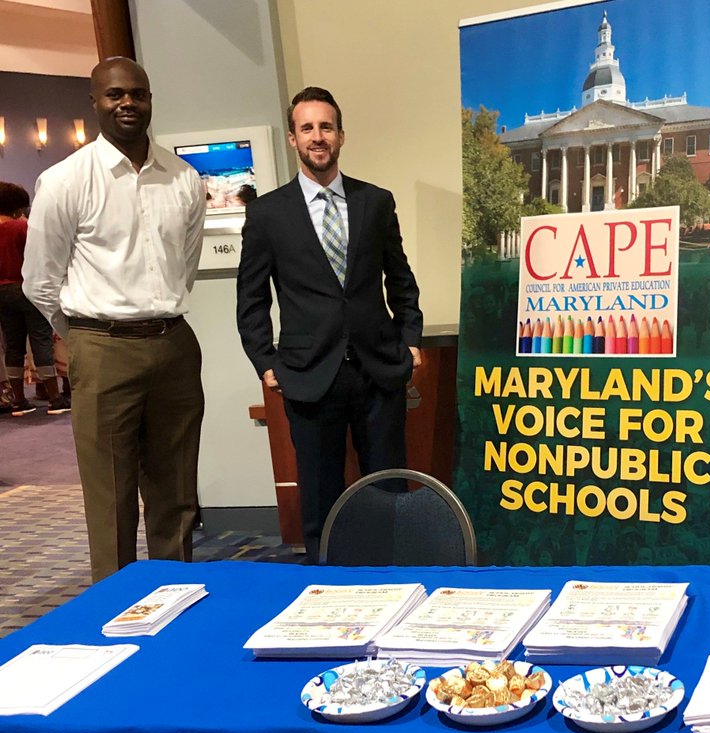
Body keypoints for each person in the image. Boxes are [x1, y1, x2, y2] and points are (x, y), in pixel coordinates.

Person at [22, 57, 207, 582]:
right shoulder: (64, 181)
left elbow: (184, 266)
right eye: (115, 95)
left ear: (150, 99)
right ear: (95, 103)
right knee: (111, 494)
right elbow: (39, 280)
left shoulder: (185, 179)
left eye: (138, 94)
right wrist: (77, 338)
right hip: (101, 348)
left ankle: (176, 595)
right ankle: (114, 605)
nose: (128, 103)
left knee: (176, 489)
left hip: (174, 344)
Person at [236, 85, 423, 563]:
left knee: (387, 486)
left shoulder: (375, 202)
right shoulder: (267, 213)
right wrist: (265, 362)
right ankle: (327, 583)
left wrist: (410, 341)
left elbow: (401, 281)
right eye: (307, 128)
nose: (317, 136)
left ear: (341, 135)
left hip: (378, 369)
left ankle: (391, 577)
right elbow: (252, 300)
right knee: (320, 494)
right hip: (306, 373)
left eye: (326, 126)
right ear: (294, 140)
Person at [0, 182, 67, 417]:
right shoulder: (22, 227)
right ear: (18, 208)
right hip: (25, 288)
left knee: (13, 345)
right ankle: (55, 398)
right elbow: (39, 256)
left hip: (2, 293)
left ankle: (18, 401)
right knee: (40, 340)